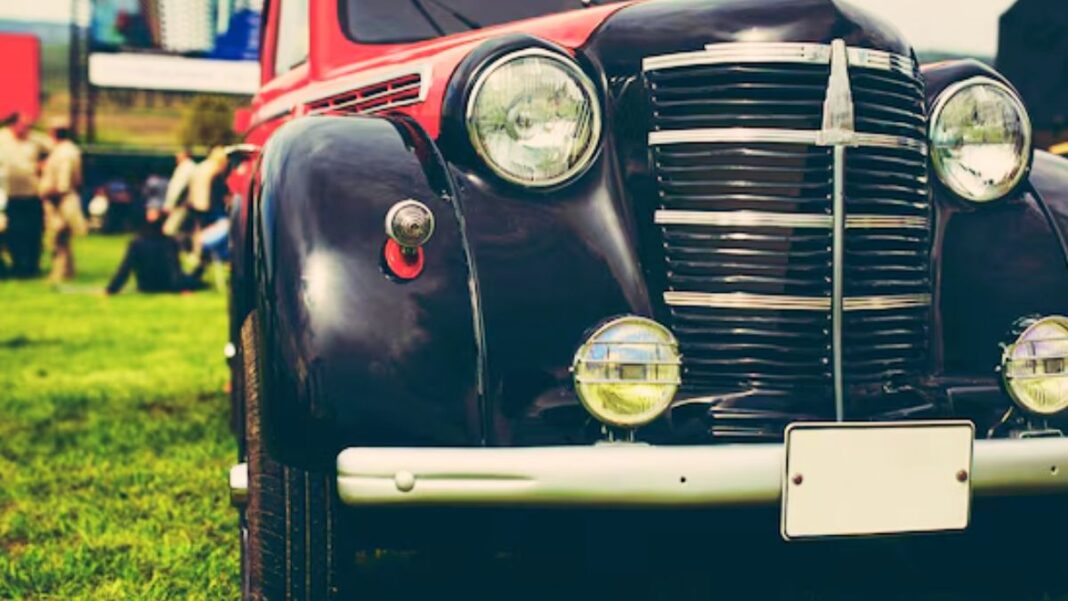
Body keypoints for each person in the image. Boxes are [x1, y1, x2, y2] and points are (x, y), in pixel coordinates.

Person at [0, 113, 54, 277]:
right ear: (13, 125)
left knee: (33, 232)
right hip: (10, 195)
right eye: (23, 125)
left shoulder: (36, 139)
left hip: (32, 194)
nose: (26, 129)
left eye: (29, 126)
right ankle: (17, 264)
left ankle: (32, 266)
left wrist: (44, 166)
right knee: (13, 233)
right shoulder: (2, 138)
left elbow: (56, 149)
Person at [106, 207, 205, 295]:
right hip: (167, 285)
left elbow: (125, 269)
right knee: (196, 280)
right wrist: (182, 289)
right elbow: (174, 269)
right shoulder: (169, 242)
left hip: (146, 286)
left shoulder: (136, 243)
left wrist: (111, 289)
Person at [38, 118, 86, 283]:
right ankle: (67, 272)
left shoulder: (65, 153)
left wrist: (49, 194)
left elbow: (63, 183)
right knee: (64, 239)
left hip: (60, 201)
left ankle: (59, 274)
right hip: (63, 199)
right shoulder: (67, 150)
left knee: (58, 238)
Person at [162, 147, 196, 237]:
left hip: (180, 204)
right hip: (181, 203)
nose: (176, 156)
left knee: (170, 229)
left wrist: (170, 204)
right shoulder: (185, 167)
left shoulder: (187, 168)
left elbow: (179, 188)